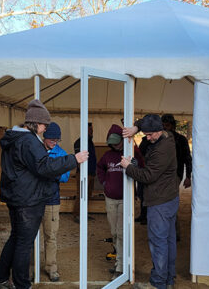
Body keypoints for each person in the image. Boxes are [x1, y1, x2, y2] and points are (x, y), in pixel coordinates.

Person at [0, 100, 88, 289]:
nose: (45, 128)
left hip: (16, 197)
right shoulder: (28, 141)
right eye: (44, 124)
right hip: (28, 200)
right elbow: (44, 166)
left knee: (16, 238)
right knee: (24, 244)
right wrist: (73, 159)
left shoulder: (14, 137)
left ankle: (1, 278)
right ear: (35, 123)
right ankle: (21, 284)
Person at [121, 114, 178, 289]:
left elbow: (148, 176)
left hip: (159, 201)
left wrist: (128, 167)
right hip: (169, 198)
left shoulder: (162, 150)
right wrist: (136, 127)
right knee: (168, 240)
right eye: (145, 134)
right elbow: (150, 118)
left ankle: (158, 283)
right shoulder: (167, 137)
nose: (148, 138)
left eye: (150, 135)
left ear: (160, 130)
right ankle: (168, 280)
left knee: (158, 243)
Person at [42, 122, 70, 282]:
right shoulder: (36, 150)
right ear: (44, 137)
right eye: (51, 139)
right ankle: (29, 268)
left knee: (50, 236)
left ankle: (51, 268)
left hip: (52, 200)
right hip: (33, 200)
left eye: (57, 140)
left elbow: (65, 177)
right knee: (30, 236)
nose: (54, 142)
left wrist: (49, 172)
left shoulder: (61, 154)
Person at [97, 124, 124, 280]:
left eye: (117, 141)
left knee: (121, 232)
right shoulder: (107, 155)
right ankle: (118, 260)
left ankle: (120, 266)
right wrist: (104, 182)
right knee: (114, 232)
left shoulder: (129, 153)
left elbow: (141, 164)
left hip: (124, 199)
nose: (115, 145)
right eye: (112, 142)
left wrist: (132, 145)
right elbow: (100, 168)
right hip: (110, 198)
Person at [161, 114, 192, 241]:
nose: (165, 128)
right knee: (162, 203)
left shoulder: (181, 140)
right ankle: (166, 232)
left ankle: (174, 233)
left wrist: (188, 176)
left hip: (175, 175)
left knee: (170, 203)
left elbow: (187, 159)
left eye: (167, 125)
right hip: (160, 175)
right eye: (163, 126)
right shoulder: (159, 139)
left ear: (173, 125)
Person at [72, 122, 97, 223]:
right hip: (83, 173)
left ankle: (83, 213)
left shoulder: (90, 142)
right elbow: (78, 158)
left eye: (92, 130)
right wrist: (82, 173)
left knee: (88, 195)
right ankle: (77, 215)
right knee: (81, 194)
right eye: (90, 130)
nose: (91, 132)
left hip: (91, 172)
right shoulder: (80, 142)